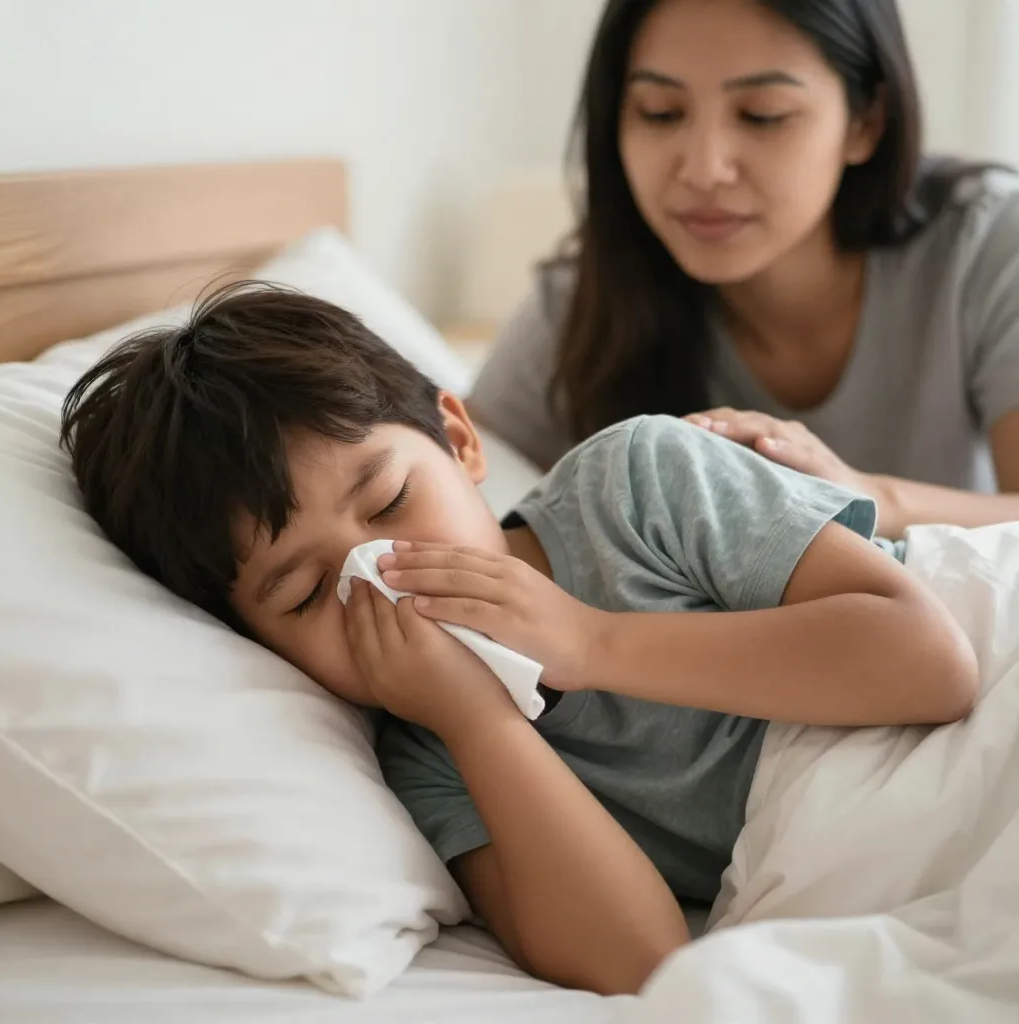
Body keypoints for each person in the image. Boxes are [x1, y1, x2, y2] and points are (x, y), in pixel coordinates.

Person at [59, 283, 978, 996]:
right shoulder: (429, 754)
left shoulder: (637, 487)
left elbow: (932, 665)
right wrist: (478, 722)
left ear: (459, 441)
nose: (383, 575)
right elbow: (642, 964)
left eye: (388, 502)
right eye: (305, 594)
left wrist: (591, 642)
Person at [468, 0, 1019, 540]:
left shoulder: (988, 244)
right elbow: (461, 475)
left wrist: (867, 497)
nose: (704, 169)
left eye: (763, 115)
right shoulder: (589, 297)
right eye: (660, 111)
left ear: (866, 121)